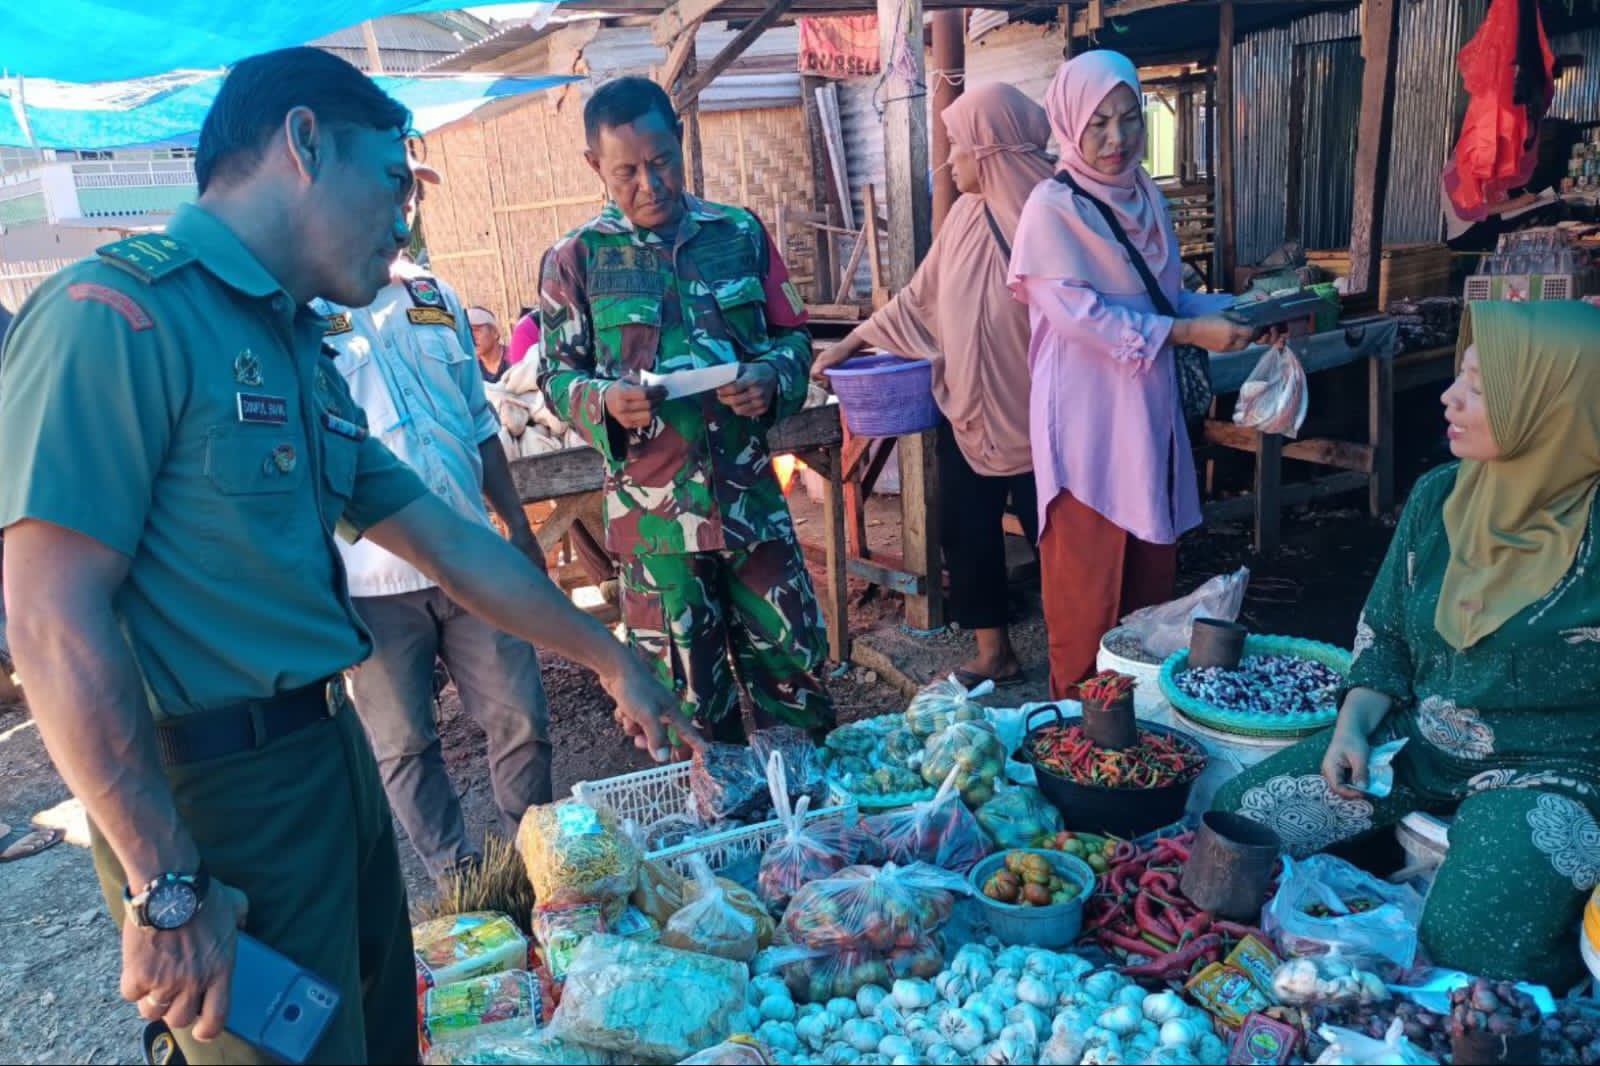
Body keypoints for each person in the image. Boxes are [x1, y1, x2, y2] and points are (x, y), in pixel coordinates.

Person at [0, 47, 697, 1066]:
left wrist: (609, 656)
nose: (404, 219)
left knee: (375, 1036)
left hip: (329, 758)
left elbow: (452, 544)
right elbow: (51, 619)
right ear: (304, 141)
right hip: (215, 802)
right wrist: (167, 882)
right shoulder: (116, 320)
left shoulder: (292, 345)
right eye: (390, 180)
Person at [1213, 301, 1600, 989]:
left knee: (1465, 950)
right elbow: (1385, 635)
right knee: (1238, 828)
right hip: (1419, 739)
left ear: (1554, 404)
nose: (1449, 397)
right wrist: (1352, 729)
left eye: (1479, 387)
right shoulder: (1440, 497)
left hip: (1553, 771)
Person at [539, 75, 834, 743]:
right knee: (688, 719)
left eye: (663, 160)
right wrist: (604, 402)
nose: (651, 183)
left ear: (681, 141)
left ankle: (814, 835)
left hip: (753, 512)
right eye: (628, 171)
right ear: (596, 166)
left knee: (796, 686)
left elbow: (793, 335)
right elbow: (557, 376)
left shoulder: (738, 233)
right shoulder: (575, 260)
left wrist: (772, 377)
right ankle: (717, 839)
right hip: (656, 539)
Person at [313, 159, 555, 888]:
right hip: (371, 581)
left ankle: (538, 868)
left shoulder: (435, 296)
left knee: (521, 717)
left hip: (473, 558)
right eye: (384, 190)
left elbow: (479, 420)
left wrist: (517, 524)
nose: (399, 209)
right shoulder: (305, 313)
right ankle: (462, 883)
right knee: (404, 743)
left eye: (406, 193)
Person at [1009, 51, 1259, 700]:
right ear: (1068, 124)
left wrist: (1244, 314)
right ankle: (1075, 748)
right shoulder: (1052, 209)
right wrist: (1186, 332)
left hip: (1147, 424)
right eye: (1098, 124)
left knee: (1146, 603)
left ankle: (1138, 738)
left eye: (1129, 119)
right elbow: (1082, 318)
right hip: (1089, 436)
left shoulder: (1146, 198)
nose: (1117, 139)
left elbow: (1162, 303)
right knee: (1087, 605)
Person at [812, 83, 1052, 687]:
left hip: (1046, 421)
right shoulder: (966, 216)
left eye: (958, 147)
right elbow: (918, 300)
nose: (950, 162)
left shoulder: (1052, 216)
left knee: (1062, 546)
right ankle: (994, 652)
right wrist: (845, 347)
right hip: (967, 410)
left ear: (991, 148)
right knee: (963, 529)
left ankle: (1088, 660)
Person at [468, 305, 513, 382]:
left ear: (495, 332)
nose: (471, 337)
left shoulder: (515, 360)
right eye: (467, 333)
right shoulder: (470, 369)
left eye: (476, 330)